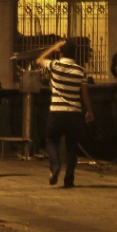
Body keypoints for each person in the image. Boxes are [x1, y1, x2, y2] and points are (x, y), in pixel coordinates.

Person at [37, 36, 94, 188]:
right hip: (75, 112)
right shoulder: (81, 71)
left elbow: (40, 60)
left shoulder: (55, 65)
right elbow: (85, 93)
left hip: (57, 110)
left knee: (50, 139)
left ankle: (55, 165)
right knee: (72, 146)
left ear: (60, 52)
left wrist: (54, 47)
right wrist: (89, 111)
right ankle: (69, 179)